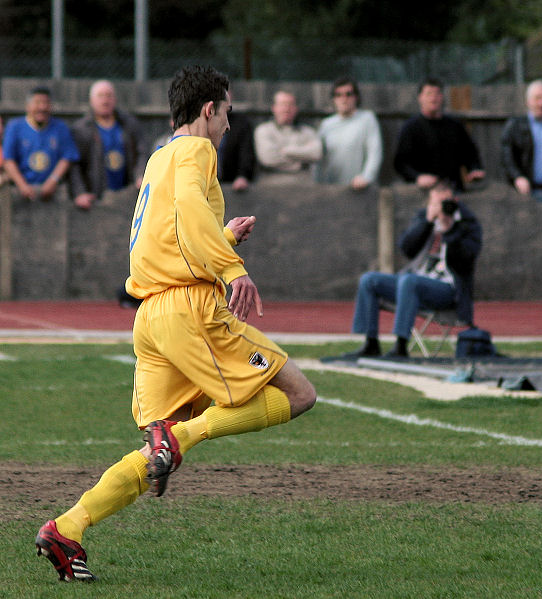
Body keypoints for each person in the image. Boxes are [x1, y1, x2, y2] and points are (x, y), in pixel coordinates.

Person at [34, 65, 316, 582]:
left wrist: (223, 239)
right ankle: (181, 436)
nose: (229, 124)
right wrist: (234, 269)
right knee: (299, 394)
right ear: (209, 109)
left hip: (151, 316)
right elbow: (189, 209)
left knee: (153, 452)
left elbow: (163, 238)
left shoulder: (159, 157)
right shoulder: (197, 151)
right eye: (227, 111)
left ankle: (67, 527)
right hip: (191, 311)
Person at [345, 179, 482, 359]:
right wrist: (427, 222)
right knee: (369, 280)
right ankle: (371, 343)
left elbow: (465, 262)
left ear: (455, 202)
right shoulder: (424, 217)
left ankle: (400, 345)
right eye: (435, 203)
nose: (440, 207)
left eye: (445, 203)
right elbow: (406, 249)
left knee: (409, 281)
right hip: (414, 283)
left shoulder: (467, 224)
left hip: (448, 290)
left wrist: (449, 230)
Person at [393, 77, 484, 192]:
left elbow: (470, 153)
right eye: (429, 94)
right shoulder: (410, 128)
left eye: (437, 94)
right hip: (422, 192)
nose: (433, 98)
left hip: (453, 189)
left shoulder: (455, 125)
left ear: (442, 97)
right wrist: (417, 177)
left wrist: (474, 169)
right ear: (420, 98)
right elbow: (401, 163)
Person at [69, 80, 148, 210]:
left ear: (115, 99)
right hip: (95, 199)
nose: (105, 100)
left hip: (127, 197)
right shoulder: (81, 129)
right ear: (91, 101)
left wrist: (140, 175)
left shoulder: (129, 125)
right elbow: (74, 164)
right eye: (100, 96)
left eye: (109, 95)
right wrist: (79, 193)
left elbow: (142, 152)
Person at [2, 86, 80, 201]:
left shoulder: (60, 127)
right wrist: (22, 185)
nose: (42, 107)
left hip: (54, 191)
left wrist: (53, 180)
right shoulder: (14, 127)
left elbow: (67, 157)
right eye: (37, 103)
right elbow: (8, 160)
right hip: (20, 191)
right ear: (28, 106)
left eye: (46, 103)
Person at [314, 77, 383, 190]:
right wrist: (318, 183)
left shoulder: (367, 119)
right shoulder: (326, 124)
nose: (344, 99)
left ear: (356, 97)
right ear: (334, 99)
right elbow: (318, 158)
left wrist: (366, 177)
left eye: (348, 94)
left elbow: (375, 152)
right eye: (338, 95)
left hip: (360, 189)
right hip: (332, 189)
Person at [253, 90, 322, 182]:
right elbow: (268, 158)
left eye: (290, 104)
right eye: (282, 104)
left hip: (303, 190)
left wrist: (286, 151)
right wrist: (300, 164)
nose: (286, 109)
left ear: (296, 109)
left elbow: (316, 154)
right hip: (270, 189)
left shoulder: (308, 132)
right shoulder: (263, 131)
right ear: (274, 108)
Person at [217, 90, 255, 191]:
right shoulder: (200, 122)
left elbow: (246, 153)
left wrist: (243, 176)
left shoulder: (241, 123)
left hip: (231, 183)